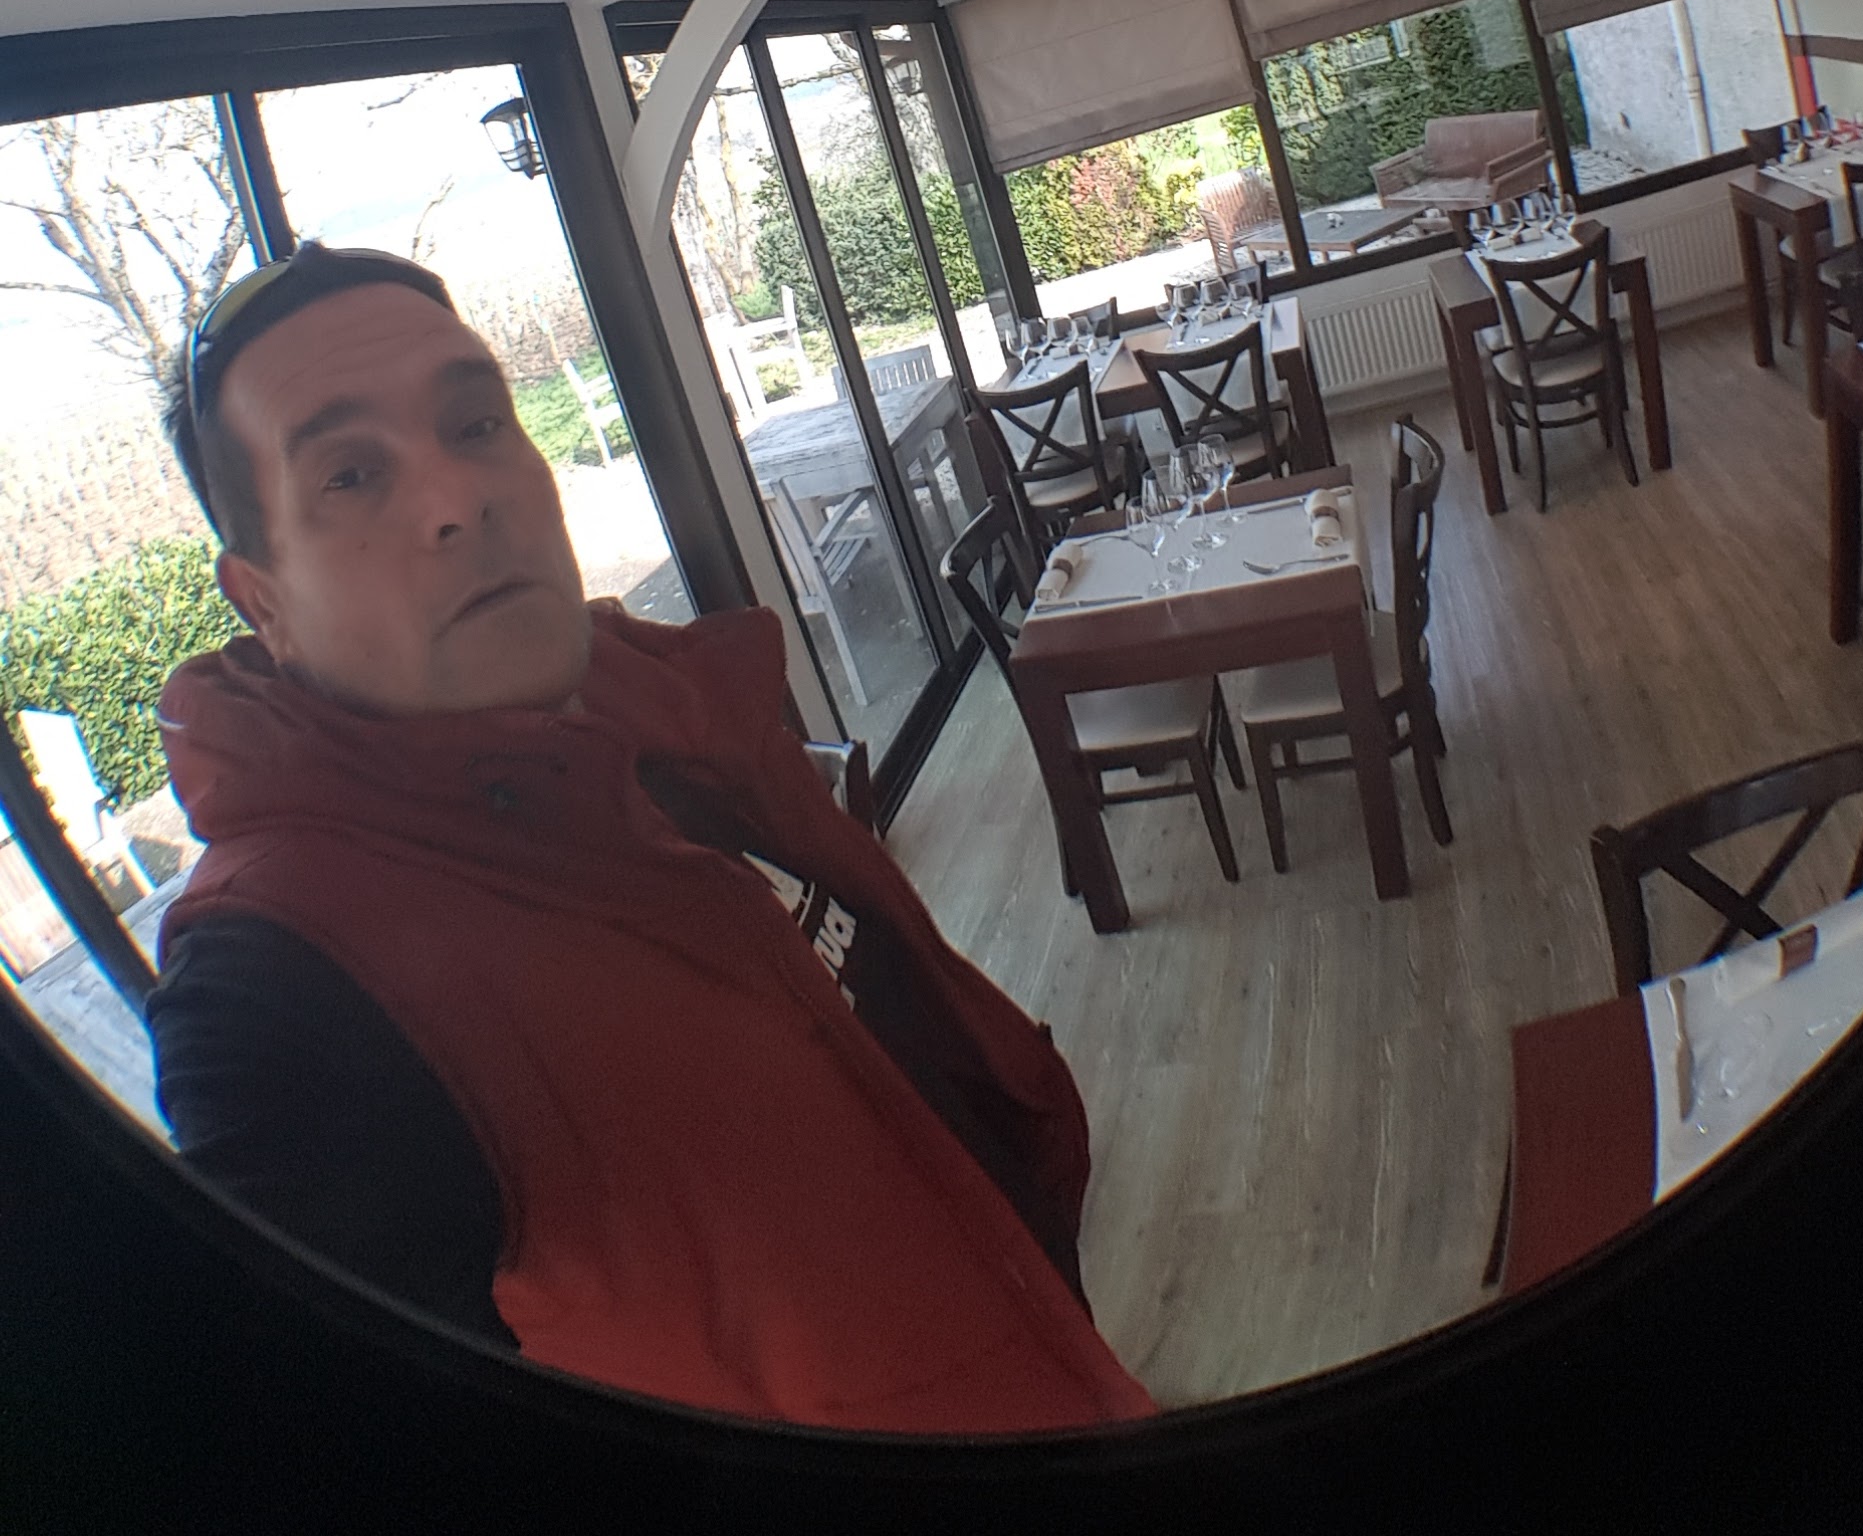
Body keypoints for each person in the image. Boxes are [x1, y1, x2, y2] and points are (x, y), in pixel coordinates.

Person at [147, 242, 1156, 1435]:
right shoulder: (282, 975)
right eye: (351, 475)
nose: (459, 498)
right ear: (264, 604)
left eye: (476, 424)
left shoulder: (653, 699)